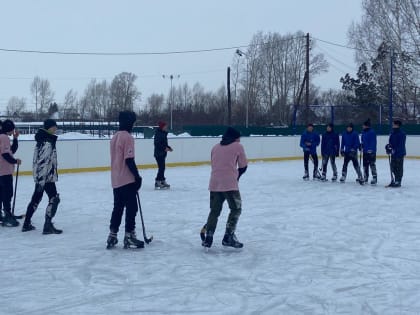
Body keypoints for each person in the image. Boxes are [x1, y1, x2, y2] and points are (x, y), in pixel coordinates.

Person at [201, 127, 248, 249]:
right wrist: (236, 177)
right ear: (235, 137)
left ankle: (208, 237)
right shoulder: (238, 146)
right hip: (230, 184)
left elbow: (215, 165)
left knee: (214, 211)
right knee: (236, 209)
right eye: (238, 138)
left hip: (214, 183)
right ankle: (228, 236)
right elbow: (243, 166)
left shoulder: (215, 147)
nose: (239, 140)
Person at [106, 111, 144, 249]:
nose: (134, 125)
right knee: (132, 208)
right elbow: (129, 159)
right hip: (126, 179)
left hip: (116, 179)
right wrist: (137, 176)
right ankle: (129, 235)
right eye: (133, 122)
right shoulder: (128, 137)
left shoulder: (114, 137)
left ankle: (112, 234)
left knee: (118, 208)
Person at [22, 119, 63, 234]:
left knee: (36, 198)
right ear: (49, 128)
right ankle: (47, 225)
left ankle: (26, 223)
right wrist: (41, 181)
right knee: (54, 198)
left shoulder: (43, 140)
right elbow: (43, 162)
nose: (56, 129)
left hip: (43, 176)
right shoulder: (47, 143)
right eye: (54, 127)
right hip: (46, 177)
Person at [0, 120, 21, 227]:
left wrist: (15, 138)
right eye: (12, 128)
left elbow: (11, 151)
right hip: (4, 171)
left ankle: (2, 214)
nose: (13, 130)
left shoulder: (2, 137)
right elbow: (5, 154)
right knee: (7, 194)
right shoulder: (3, 137)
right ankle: (7, 216)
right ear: (9, 128)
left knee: (1, 194)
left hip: (1, 172)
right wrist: (15, 161)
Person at [385, 120, 406, 187]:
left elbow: (401, 145)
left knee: (399, 168)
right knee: (393, 167)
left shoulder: (402, 134)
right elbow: (390, 142)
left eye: (394, 124)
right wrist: (388, 147)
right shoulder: (392, 133)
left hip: (399, 153)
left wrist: (394, 150)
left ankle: (398, 181)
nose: (392, 125)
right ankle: (394, 180)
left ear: (397, 125)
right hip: (394, 153)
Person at [153, 121, 173, 189]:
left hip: (162, 154)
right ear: (162, 127)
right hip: (158, 154)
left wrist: (168, 147)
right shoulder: (158, 133)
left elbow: (164, 143)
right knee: (161, 168)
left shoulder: (163, 133)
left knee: (162, 168)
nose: (166, 127)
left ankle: (162, 180)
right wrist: (164, 148)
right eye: (165, 126)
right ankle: (158, 181)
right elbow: (157, 144)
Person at [361, 119, 377, 185]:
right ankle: (365, 177)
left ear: (366, 126)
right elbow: (362, 141)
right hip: (365, 151)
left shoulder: (372, 132)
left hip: (371, 152)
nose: (362, 126)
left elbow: (373, 142)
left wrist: (371, 149)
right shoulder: (363, 132)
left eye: (363, 125)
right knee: (365, 165)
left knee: (372, 164)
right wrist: (361, 145)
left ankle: (374, 178)